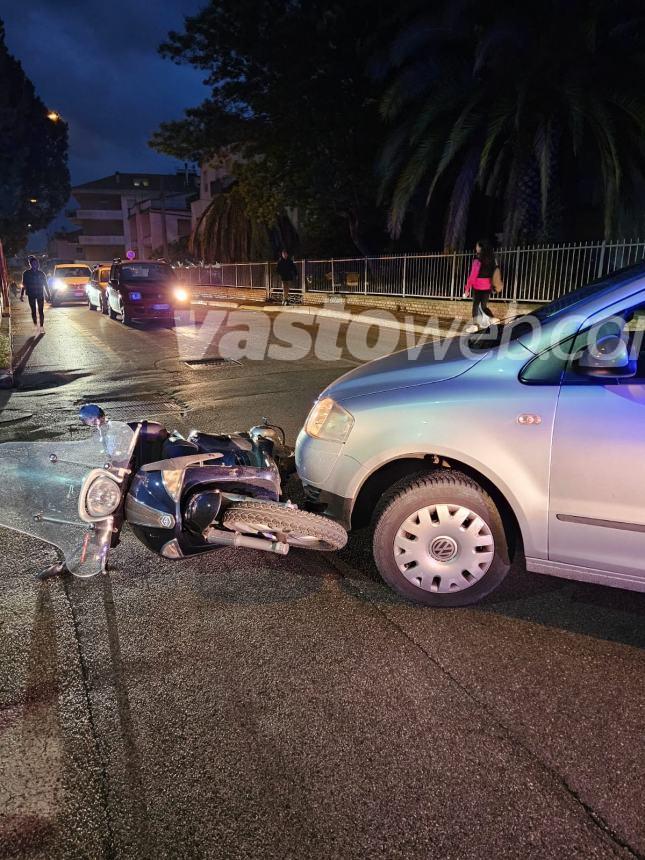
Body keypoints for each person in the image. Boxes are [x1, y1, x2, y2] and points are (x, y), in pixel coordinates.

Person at [463, 240, 500, 333]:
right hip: (487, 286)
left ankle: (475, 326)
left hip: (478, 286)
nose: (476, 248)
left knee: (475, 306)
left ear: (480, 248)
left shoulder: (477, 259)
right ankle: (492, 319)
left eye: (477, 246)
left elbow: (472, 276)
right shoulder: (492, 259)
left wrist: (467, 289)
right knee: (483, 306)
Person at [20, 256, 47, 334]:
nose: (35, 264)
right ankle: (35, 325)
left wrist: (49, 294)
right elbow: (24, 284)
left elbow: (45, 284)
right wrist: (21, 295)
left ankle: (41, 326)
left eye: (36, 263)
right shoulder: (26, 273)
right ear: (30, 264)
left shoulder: (41, 273)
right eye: (33, 263)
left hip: (40, 294)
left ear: (38, 264)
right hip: (31, 294)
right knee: (33, 311)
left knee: (41, 311)